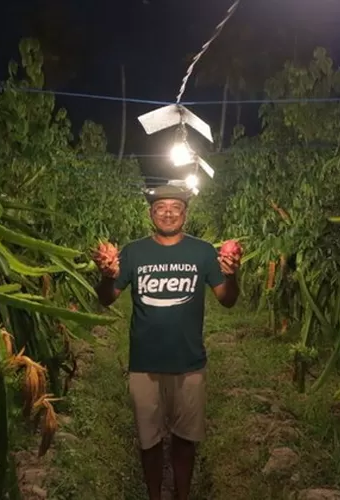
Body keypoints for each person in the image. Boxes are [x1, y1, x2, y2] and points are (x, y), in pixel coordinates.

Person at [94, 184, 242, 500]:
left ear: (185, 213)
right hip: (144, 365)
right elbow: (107, 300)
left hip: (189, 364)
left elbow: (226, 300)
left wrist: (231, 275)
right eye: (161, 207)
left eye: (175, 206)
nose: (168, 212)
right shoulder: (133, 252)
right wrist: (107, 276)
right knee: (149, 441)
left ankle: (182, 495)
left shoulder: (202, 251)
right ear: (151, 213)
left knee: (185, 439)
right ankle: (154, 495)